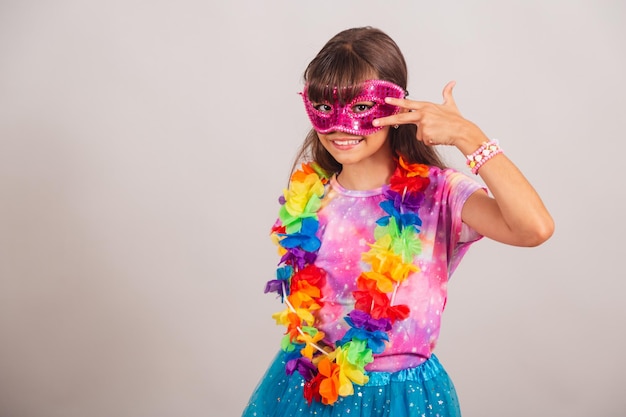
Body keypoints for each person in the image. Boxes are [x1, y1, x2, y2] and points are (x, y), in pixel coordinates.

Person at [242, 26, 554, 417]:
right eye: (324, 107)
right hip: (309, 391)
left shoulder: (438, 195)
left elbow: (534, 228)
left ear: (395, 106)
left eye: (359, 108)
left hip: (402, 400)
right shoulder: (308, 198)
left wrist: (469, 137)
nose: (341, 126)